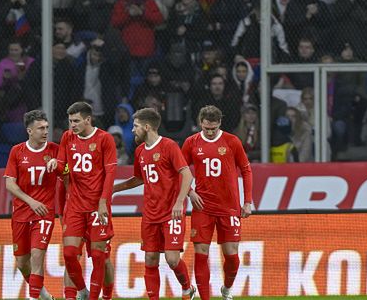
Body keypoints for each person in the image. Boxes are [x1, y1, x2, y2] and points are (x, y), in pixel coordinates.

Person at [113, 108, 196, 299]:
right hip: (150, 213)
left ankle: (187, 288)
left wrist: (179, 202)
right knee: (150, 258)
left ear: (147, 127)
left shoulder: (169, 146)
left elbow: (187, 174)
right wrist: (115, 189)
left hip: (171, 212)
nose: (133, 130)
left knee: (172, 259)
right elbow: (138, 179)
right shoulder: (140, 151)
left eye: (136, 126)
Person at [46, 101, 117, 299]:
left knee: (99, 257)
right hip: (75, 206)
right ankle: (82, 291)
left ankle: (101, 296)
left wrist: (103, 202)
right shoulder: (68, 137)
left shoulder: (105, 139)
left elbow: (111, 173)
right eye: (70, 121)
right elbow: (62, 166)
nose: (72, 125)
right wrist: (55, 163)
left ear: (88, 119)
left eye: (76, 121)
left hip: (97, 206)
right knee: (69, 254)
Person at [181, 105, 253, 300]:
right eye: (206, 128)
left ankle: (227, 288)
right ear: (200, 124)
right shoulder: (191, 143)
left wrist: (248, 201)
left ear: (219, 123)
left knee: (231, 256)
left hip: (229, 207)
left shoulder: (232, 141)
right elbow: (179, 171)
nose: (210, 132)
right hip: (202, 207)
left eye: (213, 128)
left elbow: (246, 170)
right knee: (201, 252)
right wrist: (189, 191)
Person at [4, 110, 57, 300]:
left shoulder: (55, 150)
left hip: (44, 212)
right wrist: (31, 201)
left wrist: (58, 163)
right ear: (29, 131)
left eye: (46, 128)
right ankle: (41, 293)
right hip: (21, 213)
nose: (45, 132)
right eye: (40, 128)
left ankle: (33, 297)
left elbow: (67, 169)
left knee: (37, 254)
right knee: (21, 262)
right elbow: (9, 183)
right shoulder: (17, 151)